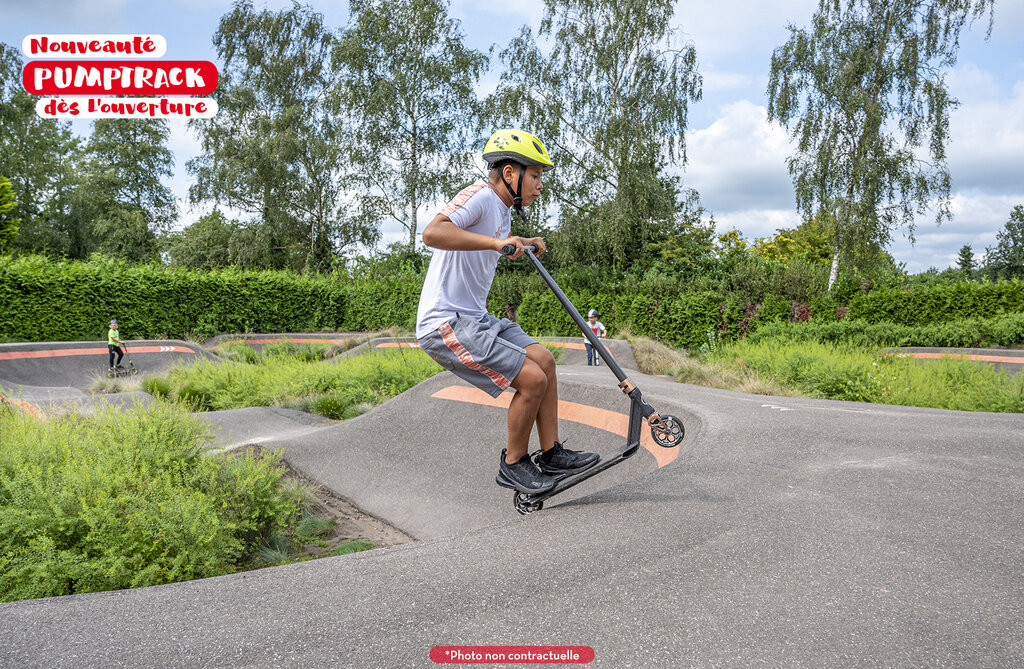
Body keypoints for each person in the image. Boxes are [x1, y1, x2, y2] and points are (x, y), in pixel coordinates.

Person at [417, 129, 599, 494]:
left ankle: (551, 453)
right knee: (531, 380)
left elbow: (491, 244)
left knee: (544, 361)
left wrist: (522, 242)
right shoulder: (481, 196)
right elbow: (433, 233)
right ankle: (514, 464)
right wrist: (498, 242)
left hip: (476, 318)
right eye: (535, 176)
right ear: (510, 173)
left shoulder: (502, 211)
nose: (540, 186)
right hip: (445, 323)